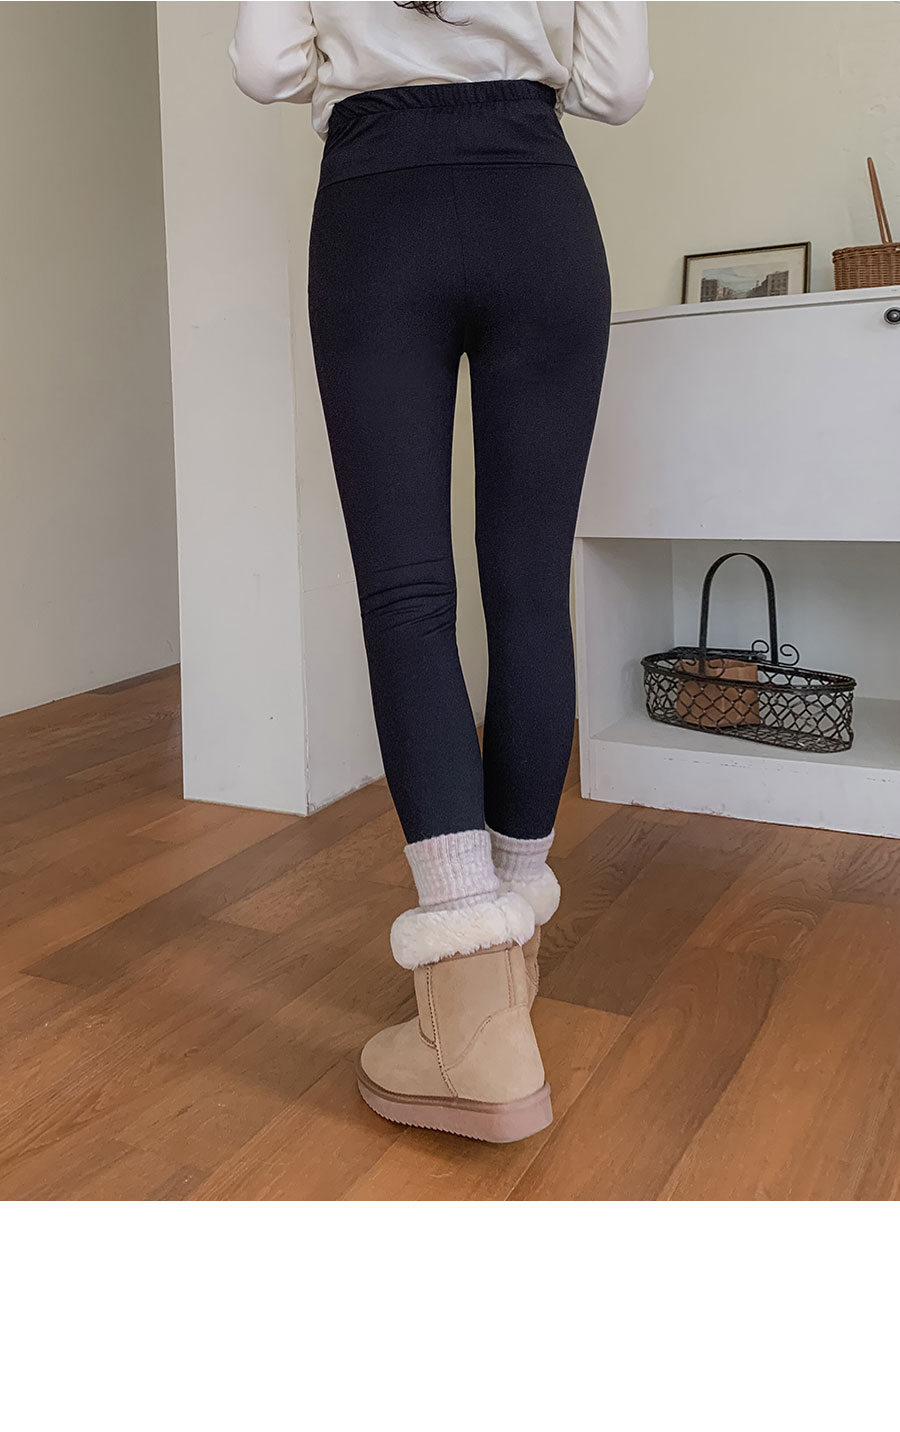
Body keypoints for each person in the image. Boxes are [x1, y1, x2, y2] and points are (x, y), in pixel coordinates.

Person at [229, 1, 651, 1143]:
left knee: (407, 596)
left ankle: (474, 1023)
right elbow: (616, 87)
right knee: (529, 588)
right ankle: (505, 967)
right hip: (537, 205)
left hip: (379, 209)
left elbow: (265, 65)